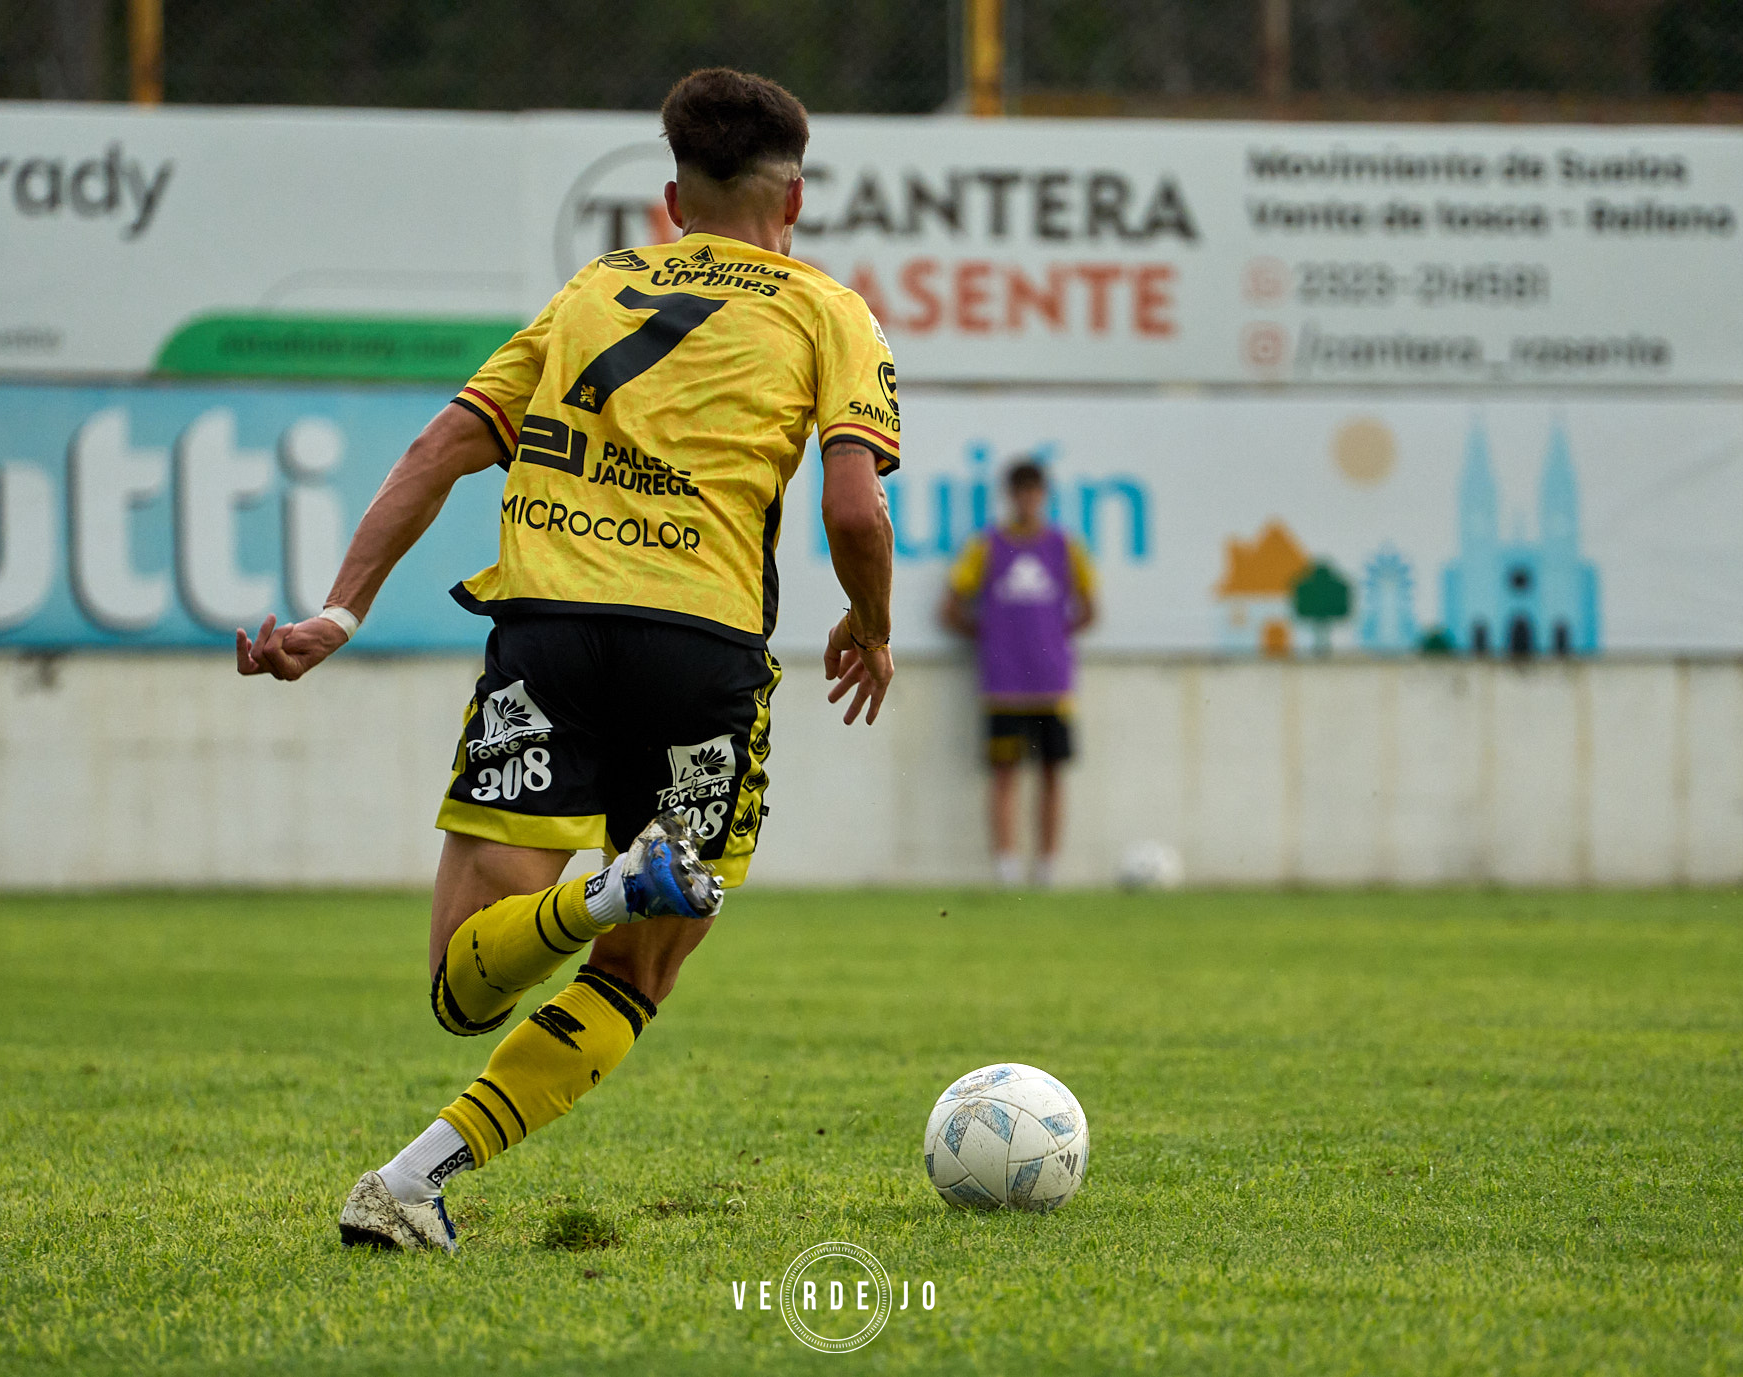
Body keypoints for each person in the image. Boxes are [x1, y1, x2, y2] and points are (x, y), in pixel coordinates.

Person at [234, 68, 898, 1252]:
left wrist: (340, 611)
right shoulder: (826, 311)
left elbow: (445, 443)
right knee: (635, 977)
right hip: (705, 657)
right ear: (792, 199)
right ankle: (425, 1160)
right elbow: (855, 510)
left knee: (460, 984)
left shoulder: (593, 289)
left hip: (548, 636)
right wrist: (870, 622)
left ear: (668, 199)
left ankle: (430, 1146)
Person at [940, 459, 1096, 888]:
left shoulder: (1065, 547)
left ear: (1043, 496)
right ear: (1010, 496)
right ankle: (1006, 869)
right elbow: (950, 607)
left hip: (1051, 686)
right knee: (1005, 777)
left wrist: (1053, 639)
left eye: (1035, 493)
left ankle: (1047, 869)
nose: (1028, 501)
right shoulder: (986, 546)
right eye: (1020, 493)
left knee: (1051, 776)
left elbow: (1090, 607)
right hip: (1004, 687)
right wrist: (991, 638)